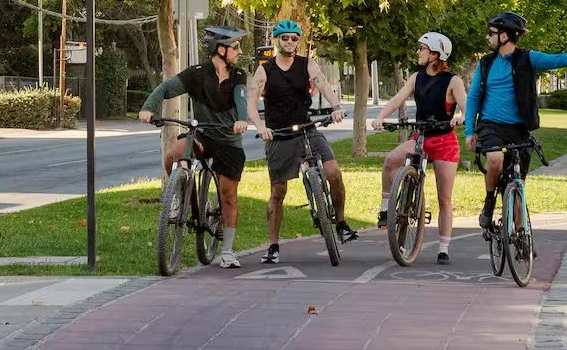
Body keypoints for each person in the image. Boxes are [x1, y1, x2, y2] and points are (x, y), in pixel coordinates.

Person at [464, 11, 567, 233]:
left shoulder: (527, 58)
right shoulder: (485, 64)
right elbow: (474, 97)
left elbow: (557, 60)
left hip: (519, 128)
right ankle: (489, 201)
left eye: (492, 33)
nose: (488, 37)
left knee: (518, 185)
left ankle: (522, 236)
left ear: (504, 36)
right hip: (490, 125)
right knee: (494, 158)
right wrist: (469, 131)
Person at [137, 24, 252, 269]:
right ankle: (180, 197)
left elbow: (241, 100)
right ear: (220, 50)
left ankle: (228, 251)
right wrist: (149, 107)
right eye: (236, 47)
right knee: (173, 157)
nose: (239, 52)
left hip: (229, 140)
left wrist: (242, 120)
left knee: (228, 195)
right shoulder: (196, 74)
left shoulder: (239, 76)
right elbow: (166, 88)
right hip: (202, 135)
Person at [247, 19, 353, 264]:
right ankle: (273, 246)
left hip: (307, 129)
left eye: (294, 38)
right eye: (285, 38)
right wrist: (261, 127)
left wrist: (336, 106)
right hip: (279, 134)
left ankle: (341, 222)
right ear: (277, 40)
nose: (290, 42)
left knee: (334, 172)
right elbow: (252, 102)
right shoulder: (265, 69)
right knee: (278, 191)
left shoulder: (307, 64)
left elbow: (322, 84)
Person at [367, 33, 468, 264]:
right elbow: (397, 99)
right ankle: (386, 208)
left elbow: (466, 106)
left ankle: (443, 248)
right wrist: (381, 117)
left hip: (444, 141)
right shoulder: (416, 77)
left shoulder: (453, 81)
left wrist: (461, 117)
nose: (418, 53)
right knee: (391, 160)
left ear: (435, 54)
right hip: (420, 136)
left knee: (444, 199)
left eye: (422, 49)